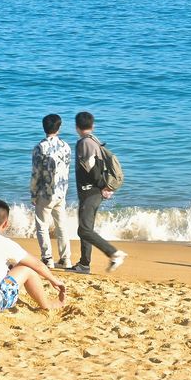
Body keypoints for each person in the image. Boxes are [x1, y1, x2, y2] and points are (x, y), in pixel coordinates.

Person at [71, 111, 127, 274]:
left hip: (91, 192)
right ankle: (84, 264)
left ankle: (114, 253)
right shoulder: (94, 141)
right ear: (92, 125)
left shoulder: (84, 143)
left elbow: (92, 168)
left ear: (76, 127)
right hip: (92, 192)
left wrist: (103, 186)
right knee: (86, 227)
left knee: (84, 230)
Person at [30, 113, 72, 269]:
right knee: (61, 225)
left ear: (43, 128)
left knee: (42, 225)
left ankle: (47, 258)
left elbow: (36, 173)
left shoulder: (40, 147)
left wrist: (33, 193)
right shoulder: (66, 146)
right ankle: (66, 258)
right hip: (61, 191)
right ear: (59, 128)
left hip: (46, 192)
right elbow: (66, 169)